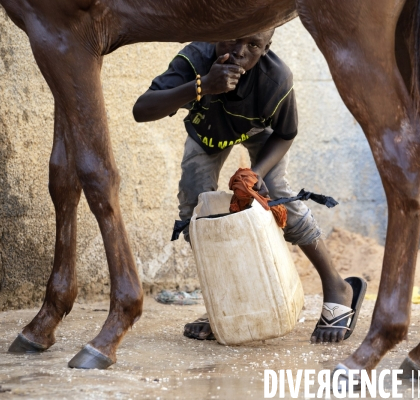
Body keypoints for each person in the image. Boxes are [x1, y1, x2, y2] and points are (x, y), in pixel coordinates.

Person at [133, 30, 365, 343]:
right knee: (195, 209)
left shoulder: (275, 78)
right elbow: (142, 109)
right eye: (231, 37)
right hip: (209, 132)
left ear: (266, 47)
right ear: (216, 32)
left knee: (278, 195)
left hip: (261, 131)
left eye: (253, 45)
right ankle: (225, 303)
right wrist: (202, 86)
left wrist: (256, 174)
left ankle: (337, 286)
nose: (240, 51)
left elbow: (285, 133)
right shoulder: (195, 59)